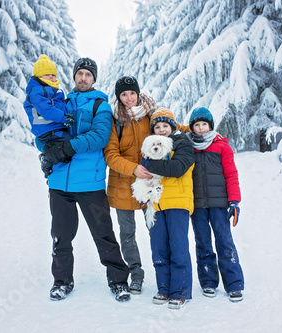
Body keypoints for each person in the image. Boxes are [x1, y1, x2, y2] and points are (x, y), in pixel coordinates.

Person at [37, 57, 131, 302]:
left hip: (90, 183)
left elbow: (99, 137)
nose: (83, 78)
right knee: (61, 236)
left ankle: (119, 281)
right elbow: (42, 133)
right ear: (74, 77)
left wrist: (65, 148)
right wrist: (47, 151)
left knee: (104, 235)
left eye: (88, 74)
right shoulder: (60, 102)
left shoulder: (100, 105)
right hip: (59, 184)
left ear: (94, 79)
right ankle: (62, 282)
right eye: (80, 73)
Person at [103, 76, 156, 295]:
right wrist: (133, 168)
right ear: (118, 97)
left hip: (149, 184)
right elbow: (110, 154)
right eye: (123, 94)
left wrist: (194, 130)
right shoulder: (114, 119)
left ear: (138, 93)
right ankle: (136, 274)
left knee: (157, 230)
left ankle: (164, 271)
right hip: (122, 185)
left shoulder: (150, 114)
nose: (128, 98)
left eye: (132, 93)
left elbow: (168, 130)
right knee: (127, 234)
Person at [186, 106, 245, 302]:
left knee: (224, 241)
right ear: (192, 127)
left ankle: (234, 284)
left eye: (204, 124)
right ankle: (208, 281)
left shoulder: (222, 147)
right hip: (197, 205)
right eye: (197, 124)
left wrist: (234, 201)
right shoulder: (188, 148)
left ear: (210, 125)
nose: (201, 128)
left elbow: (231, 174)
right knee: (203, 243)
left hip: (219, 204)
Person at [141, 107, 195, 310]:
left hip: (178, 203)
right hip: (156, 203)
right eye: (157, 126)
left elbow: (177, 169)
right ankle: (163, 288)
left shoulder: (183, 143)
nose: (162, 129)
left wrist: (147, 165)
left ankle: (180, 291)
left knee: (178, 248)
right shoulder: (151, 146)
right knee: (159, 248)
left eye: (165, 125)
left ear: (172, 127)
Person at [23, 54, 75, 177]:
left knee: (65, 154)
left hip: (53, 128)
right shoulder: (37, 91)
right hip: (48, 129)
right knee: (70, 144)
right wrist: (64, 118)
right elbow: (46, 110)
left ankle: (51, 167)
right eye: (47, 74)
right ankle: (47, 159)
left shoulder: (49, 90)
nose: (51, 77)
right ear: (39, 76)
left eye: (53, 75)